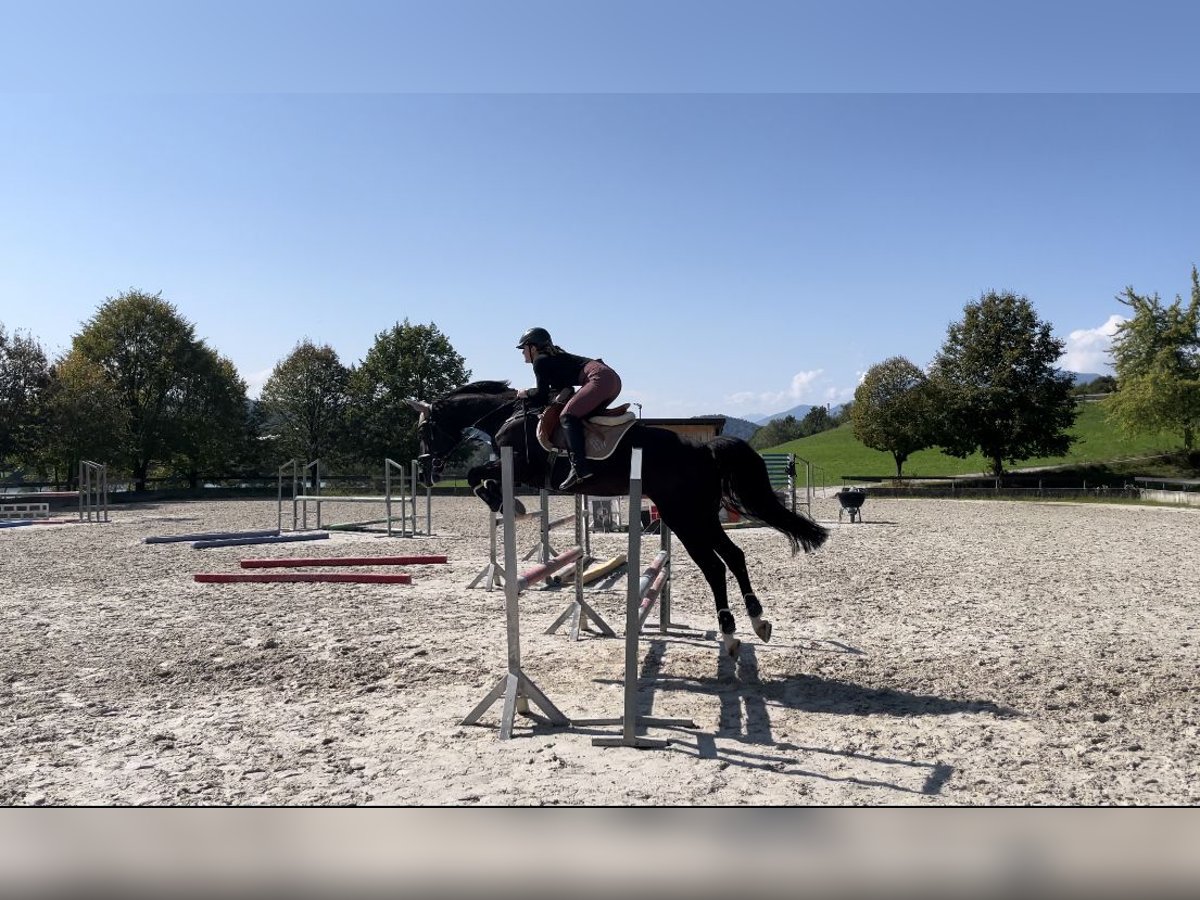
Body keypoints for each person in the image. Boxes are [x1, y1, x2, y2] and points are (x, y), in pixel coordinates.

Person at [514, 326, 622, 491]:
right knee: (579, 416)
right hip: (611, 379)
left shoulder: (540, 361)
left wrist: (525, 393)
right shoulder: (553, 359)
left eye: (524, 348)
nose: (522, 353)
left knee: (567, 416)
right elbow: (565, 389)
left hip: (599, 379)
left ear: (533, 348)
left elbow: (541, 394)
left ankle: (579, 468)